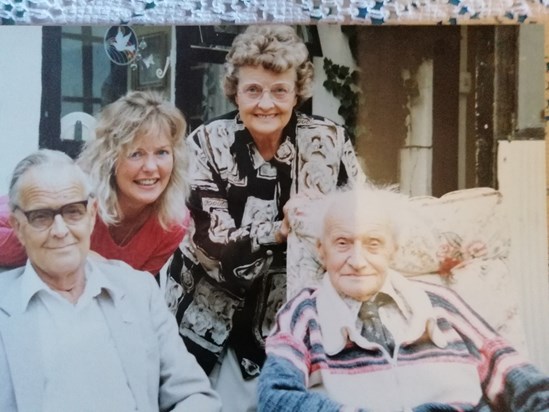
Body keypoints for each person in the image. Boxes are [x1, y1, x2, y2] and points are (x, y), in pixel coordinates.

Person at [165, 24, 366, 411]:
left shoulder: (329, 141)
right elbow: (211, 244)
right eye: (253, 90)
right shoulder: (206, 143)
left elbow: (360, 217)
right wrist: (279, 231)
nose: (266, 104)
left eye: (279, 90)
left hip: (299, 325)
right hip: (213, 325)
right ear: (235, 90)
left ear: (297, 91)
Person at [258, 185, 549, 411]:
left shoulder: (440, 302)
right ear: (322, 250)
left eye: (373, 244)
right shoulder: (304, 313)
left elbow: (520, 380)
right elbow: (275, 399)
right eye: (343, 243)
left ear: (393, 251)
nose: (357, 261)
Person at [0, 149, 221, 412]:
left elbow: (194, 395)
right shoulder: (6, 304)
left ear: (92, 214)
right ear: (18, 226)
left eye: (73, 212)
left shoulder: (138, 291)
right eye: (40, 216)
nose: (60, 231)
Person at [0, 90, 189, 275]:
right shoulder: (71, 194)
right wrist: (82, 257)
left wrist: (98, 267)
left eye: (162, 152)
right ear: (109, 158)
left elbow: (131, 293)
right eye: (136, 153)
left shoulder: (174, 222)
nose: (150, 167)